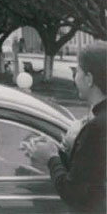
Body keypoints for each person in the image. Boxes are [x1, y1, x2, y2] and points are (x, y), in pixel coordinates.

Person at [25, 41, 106, 213]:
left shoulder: (96, 128)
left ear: (89, 79)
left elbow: (74, 192)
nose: (74, 77)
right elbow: (90, 173)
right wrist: (54, 152)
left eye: (78, 71)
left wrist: (51, 157)